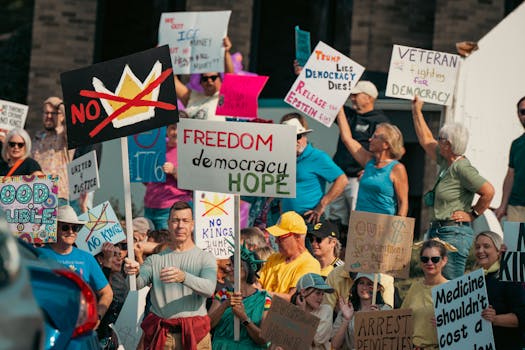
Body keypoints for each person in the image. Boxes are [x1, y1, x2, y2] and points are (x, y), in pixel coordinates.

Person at [411, 96, 495, 279]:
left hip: (453, 233)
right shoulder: (446, 161)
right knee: (437, 284)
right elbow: (425, 140)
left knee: (450, 285)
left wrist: (472, 214)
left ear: (448, 145)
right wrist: (416, 110)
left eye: (440, 139)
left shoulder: (462, 167)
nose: (437, 141)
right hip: (439, 230)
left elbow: (488, 191)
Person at [124, 201, 217, 349]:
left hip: (196, 336)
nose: (180, 225)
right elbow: (135, 285)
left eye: (185, 221)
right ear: (168, 224)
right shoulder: (155, 259)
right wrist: (132, 273)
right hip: (163, 337)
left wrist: (184, 277)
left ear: (192, 224)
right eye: (175, 220)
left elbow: (209, 289)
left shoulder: (205, 258)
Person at [327, 81, 390, 235]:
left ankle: (355, 253)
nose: (352, 98)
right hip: (340, 177)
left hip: (359, 178)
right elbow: (324, 98)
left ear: (369, 98)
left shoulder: (380, 121)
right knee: (336, 219)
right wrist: (304, 73)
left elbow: (386, 151)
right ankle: (338, 253)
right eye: (352, 95)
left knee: (358, 219)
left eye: (356, 95)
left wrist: (372, 170)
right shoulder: (348, 114)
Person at [39, 205, 113, 322]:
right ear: (54, 228)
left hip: (78, 324)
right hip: (47, 322)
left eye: (75, 228)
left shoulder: (86, 258)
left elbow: (107, 293)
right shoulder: (39, 255)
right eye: (65, 227)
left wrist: (97, 317)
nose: (71, 232)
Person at [336, 108, 408, 216]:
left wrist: (397, 229)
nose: (370, 139)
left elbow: (403, 202)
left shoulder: (397, 168)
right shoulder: (368, 161)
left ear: (386, 144)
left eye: (375, 137)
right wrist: (340, 109)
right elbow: (347, 139)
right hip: (361, 223)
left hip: (383, 224)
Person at [280, 114, 348, 224]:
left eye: (298, 136)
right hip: (287, 220)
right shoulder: (284, 157)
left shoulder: (317, 156)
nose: (295, 141)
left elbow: (342, 180)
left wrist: (322, 205)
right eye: (290, 137)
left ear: (304, 136)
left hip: (309, 218)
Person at [209, 245, 270, 349]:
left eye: (236, 265)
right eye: (230, 265)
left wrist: (244, 318)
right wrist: (225, 305)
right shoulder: (223, 294)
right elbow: (207, 325)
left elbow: (264, 339)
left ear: (248, 270)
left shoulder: (264, 300)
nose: (230, 269)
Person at [475, 231, 525, 349]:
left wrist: (495, 319)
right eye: (477, 247)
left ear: (498, 251)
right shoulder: (472, 280)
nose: (480, 251)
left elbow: (523, 316)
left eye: (486, 246)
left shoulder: (510, 278)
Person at [257, 211, 321, 301]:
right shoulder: (273, 257)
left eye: (280, 237)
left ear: (297, 236)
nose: (276, 241)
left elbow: (292, 298)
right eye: (276, 237)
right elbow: (257, 284)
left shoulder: (310, 264)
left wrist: (259, 293)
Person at [401, 239, 450, 349]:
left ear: (444, 260)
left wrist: (447, 325)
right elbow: (402, 318)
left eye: (435, 259)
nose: (429, 263)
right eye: (425, 259)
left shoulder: (452, 289)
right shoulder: (415, 287)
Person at [143, 123, 192, 230]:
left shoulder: (191, 149)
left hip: (171, 209)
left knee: (167, 244)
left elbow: (195, 182)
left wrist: (174, 171)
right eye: (173, 128)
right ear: (167, 130)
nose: (176, 132)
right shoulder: (156, 146)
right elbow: (146, 181)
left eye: (180, 128)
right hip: (150, 207)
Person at [173, 37, 233, 121]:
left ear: (220, 79)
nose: (209, 81)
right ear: (200, 82)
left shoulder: (225, 97)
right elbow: (173, 81)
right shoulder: (191, 97)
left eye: (213, 77)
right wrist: (163, 56)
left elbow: (231, 78)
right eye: (205, 78)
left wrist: (226, 52)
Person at [331, 273, 392, 350]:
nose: (364, 287)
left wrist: (378, 321)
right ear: (356, 286)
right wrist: (346, 320)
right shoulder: (347, 310)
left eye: (369, 284)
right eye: (361, 283)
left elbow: (391, 342)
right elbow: (335, 345)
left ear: (378, 288)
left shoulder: (386, 310)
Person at [32, 96, 73, 202]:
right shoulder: (37, 138)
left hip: (59, 196)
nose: (49, 116)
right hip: (36, 196)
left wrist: (60, 106)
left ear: (61, 116)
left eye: (53, 113)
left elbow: (73, 120)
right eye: (46, 113)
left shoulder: (64, 135)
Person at [495, 96, 525, 222]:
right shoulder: (516, 144)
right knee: (513, 242)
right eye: (523, 112)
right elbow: (510, 175)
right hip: (516, 207)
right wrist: (503, 205)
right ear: (518, 115)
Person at [292, 273, 334, 350]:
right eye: (318, 293)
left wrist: (302, 314)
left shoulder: (326, 310)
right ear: (303, 292)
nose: (321, 297)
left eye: (322, 294)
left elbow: (315, 339)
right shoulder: (291, 311)